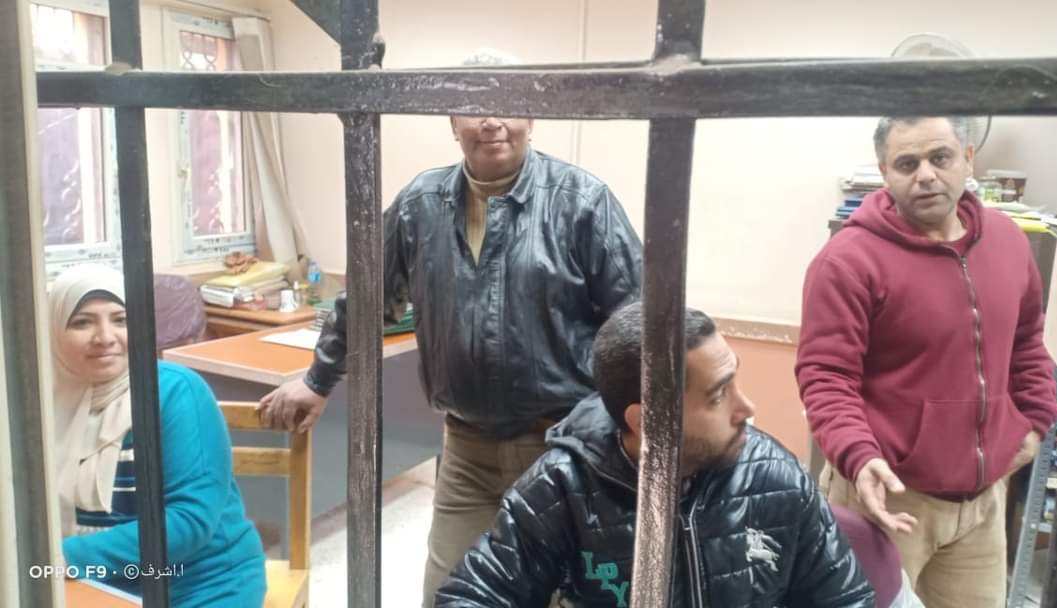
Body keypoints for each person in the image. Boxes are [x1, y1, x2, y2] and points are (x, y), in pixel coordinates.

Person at [256, 49, 642, 604]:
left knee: (557, 595)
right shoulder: (421, 204)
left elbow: (635, 322)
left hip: (562, 448)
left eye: (507, 104)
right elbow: (365, 299)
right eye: (473, 105)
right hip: (466, 451)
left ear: (531, 116)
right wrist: (318, 379)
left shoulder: (582, 202)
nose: (491, 121)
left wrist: (627, 426)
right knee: (449, 593)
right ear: (451, 121)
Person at [436, 303, 875, 607]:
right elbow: (470, 597)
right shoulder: (562, 488)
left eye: (735, 382)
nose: (747, 408)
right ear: (648, 423)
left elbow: (847, 599)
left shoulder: (778, 477)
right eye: (718, 395)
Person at [796, 116, 1057, 607]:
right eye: (906, 164)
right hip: (884, 497)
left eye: (940, 158)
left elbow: (1027, 341)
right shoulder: (847, 261)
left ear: (968, 158)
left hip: (982, 504)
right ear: (884, 172)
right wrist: (858, 455)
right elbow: (826, 377)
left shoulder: (1008, 242)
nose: (925, 175)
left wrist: (1035, 419)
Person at [50, 265, 266, 607]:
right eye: (82, 323)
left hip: (200, 582)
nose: (105, 337)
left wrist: (62, 557)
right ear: (53, 331)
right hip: (92, 581)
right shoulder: (42, 404)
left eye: (120, 320)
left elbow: (190, 520)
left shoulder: (174, 392)